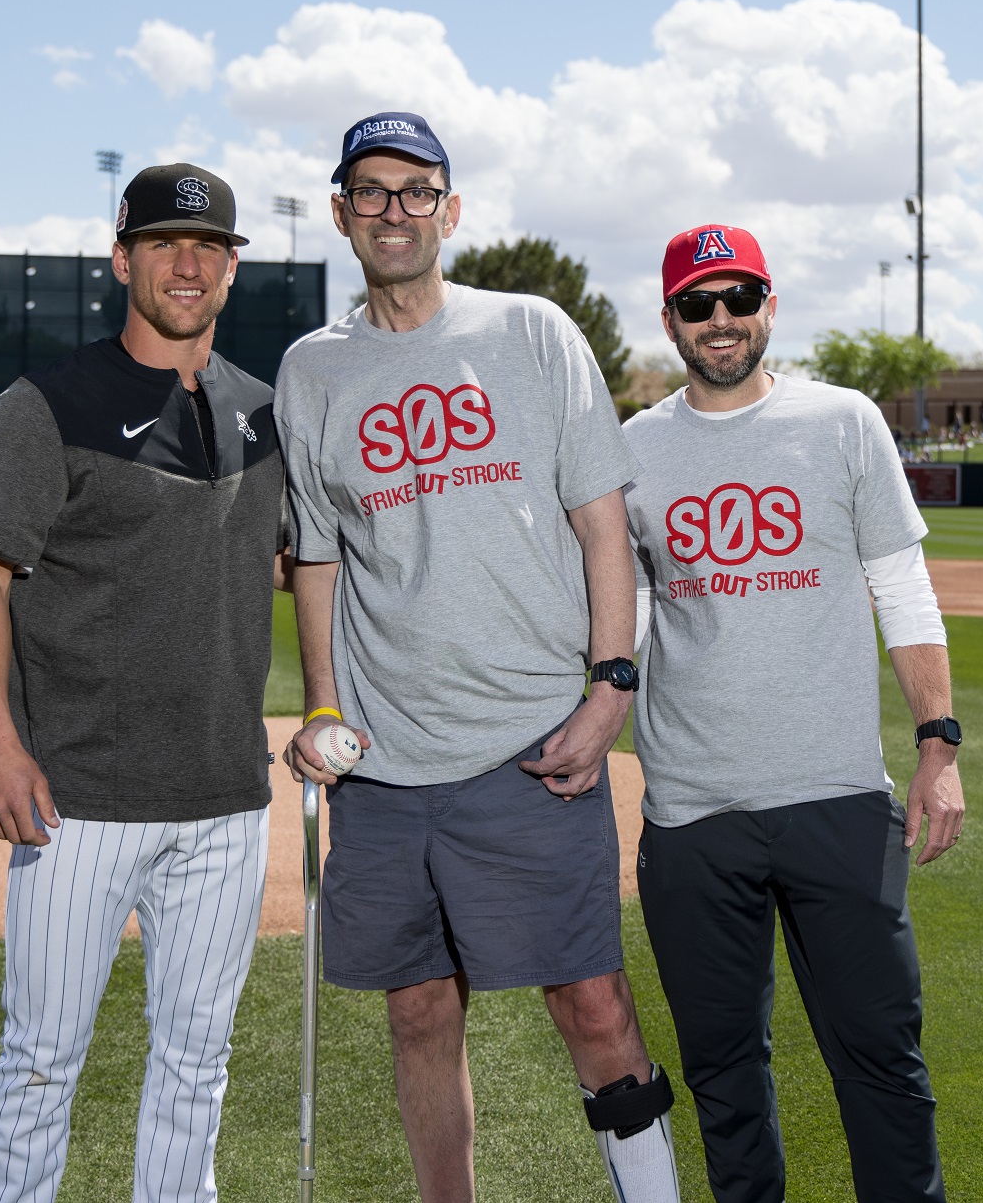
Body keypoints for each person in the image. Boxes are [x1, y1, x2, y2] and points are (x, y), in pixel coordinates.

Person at [276, 113, 680, 1203]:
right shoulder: (311, 369)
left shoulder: (532, 331)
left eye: (417, 191)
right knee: (418, 1011)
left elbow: (604, 527)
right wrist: (319, 704)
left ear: (450, 211)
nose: (394, 211)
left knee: (590, 1002)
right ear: (339, 212)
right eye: (370, 191)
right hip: (387, 759)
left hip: (529, 741)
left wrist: (610, 688)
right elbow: (314, 557)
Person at [0, 164, 286, 1202]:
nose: (188, 265)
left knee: (197, 1067)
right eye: (165, 245)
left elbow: (294, 564)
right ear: (123, 259)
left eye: (210, 248)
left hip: (228, 799)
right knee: (41, 1061)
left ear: (230, 268)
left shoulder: (264, 411)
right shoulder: (48, 403)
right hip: (78, 799)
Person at [624, 223, 963, 1203]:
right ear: (670, 321)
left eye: (738, 298)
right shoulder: (633, 450)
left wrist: (937, 744)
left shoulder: (844, 421)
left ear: (768, 307)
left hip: (836, 799)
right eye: (698, 303)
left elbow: (902, 590)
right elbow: (627, 623)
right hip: (691, 815)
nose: (719, 319)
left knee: (881, 1065)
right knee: (724, 1083)